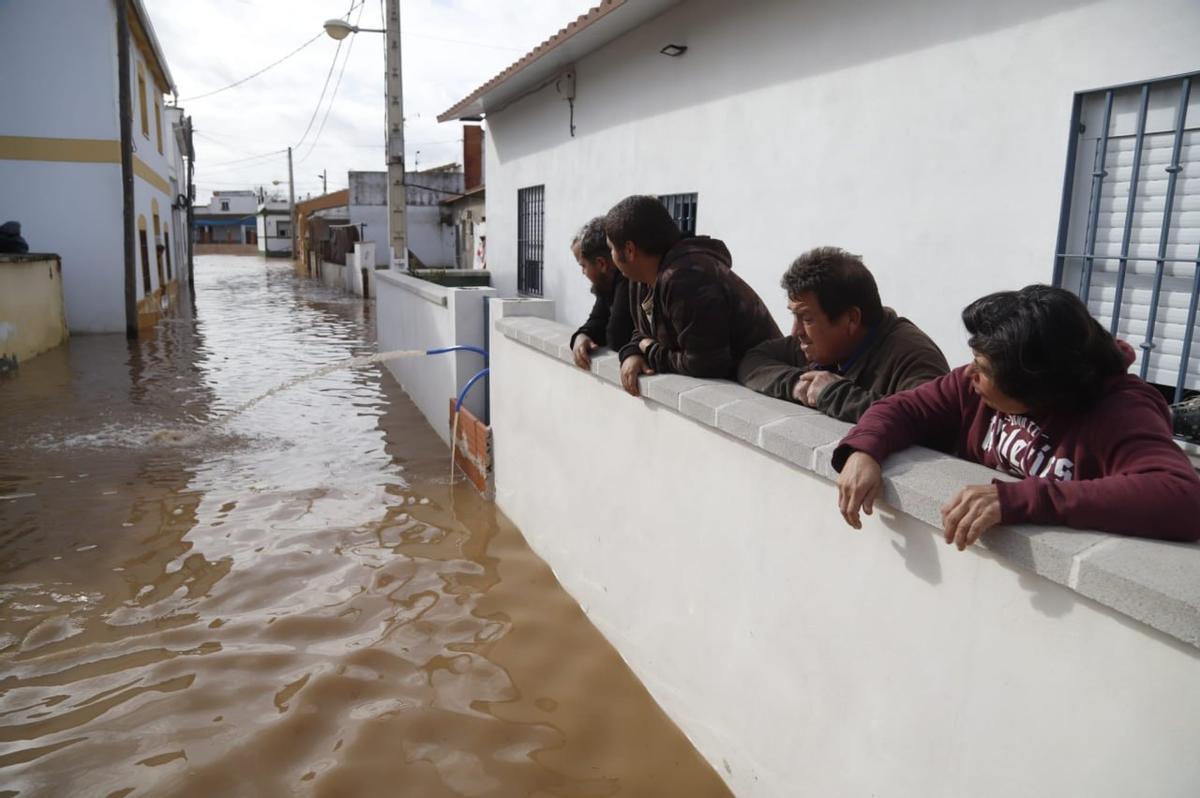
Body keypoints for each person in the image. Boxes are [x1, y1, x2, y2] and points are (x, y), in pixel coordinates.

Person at [833, 284, 1200, 547]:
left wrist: (1020, 501)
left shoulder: (1122, 411)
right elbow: (905, 407)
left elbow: (1181, 498)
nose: (968, 374)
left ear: (1037, 388)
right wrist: (864, 450)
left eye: (982, 368)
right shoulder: (972, 383)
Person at [738, 246, 948, 422]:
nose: (796, 332)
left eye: (807, 318)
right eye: (795, 317)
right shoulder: (819, 344)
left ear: (851, 319)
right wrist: (796, 385)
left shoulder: (912, 357)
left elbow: (928, 421)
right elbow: (752, 361)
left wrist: (833, 394)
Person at [604, 195, 781, 396]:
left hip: (762, 391)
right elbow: (644, 331)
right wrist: (633, 352)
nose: (612, 257)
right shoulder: (642, 278)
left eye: (611, 249)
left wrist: (651, 353)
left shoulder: (686, 277)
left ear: (629, 250)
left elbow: (706, 363)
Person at [569, 217, 634, 370]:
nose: (583, 272)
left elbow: (617, 337)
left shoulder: (627, 279)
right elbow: (596, 321)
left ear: (601, 264)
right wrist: (581, 336)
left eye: (583, 265)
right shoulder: (605, 285)